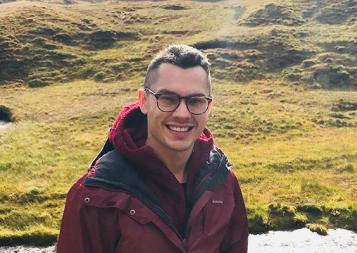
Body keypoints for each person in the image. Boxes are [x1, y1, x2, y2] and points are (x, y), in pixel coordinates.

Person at [57, 44, 248, 253]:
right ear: (144, 101)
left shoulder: (223, 182)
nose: (182, 114)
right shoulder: (95, 196)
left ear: (209, 107)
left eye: (195, 101)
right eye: (168, 98)